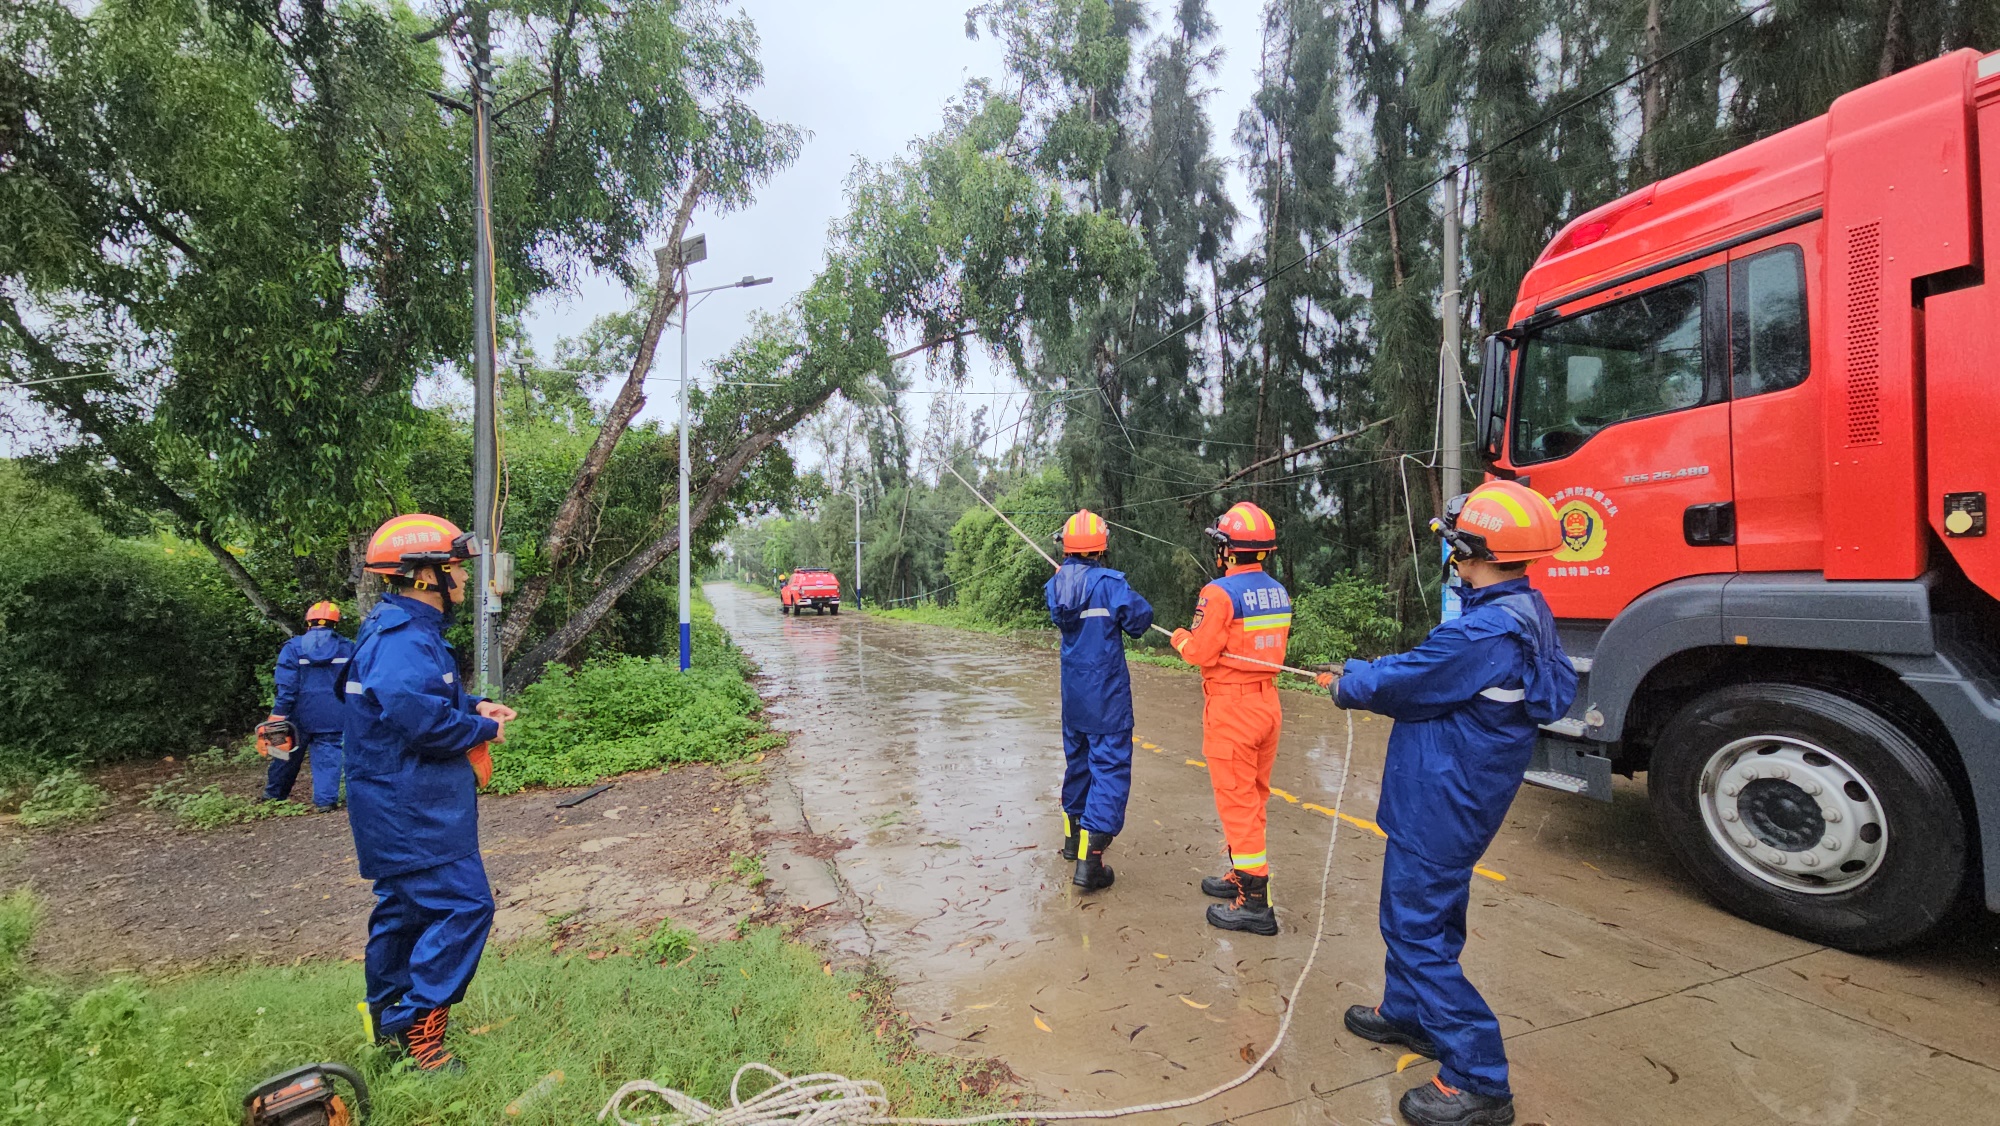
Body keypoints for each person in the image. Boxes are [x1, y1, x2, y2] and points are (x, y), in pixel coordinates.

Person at [1328, 480, 1577, 1126]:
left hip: (1440, 803)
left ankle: (1478, 1076)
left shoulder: (1486, 633)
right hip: (1451, 800)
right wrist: (1368, 671)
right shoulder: (1521, 610)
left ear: (1469, 550)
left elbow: (1411, 680)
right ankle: (1409, 1012)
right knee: (1419, 918)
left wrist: (1351, 682)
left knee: (1417, 930)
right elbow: (1428, 668)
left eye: (1454, 545)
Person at [342, 513, 516, 1073]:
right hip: (413, 812)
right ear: (424, 576)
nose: (463, 580)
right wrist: (483, 730)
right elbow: (421, 722)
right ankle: (422, 1040)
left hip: (395, 805)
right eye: (454, 569)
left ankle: (386, 1024)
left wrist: (472, 706)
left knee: (404, 914)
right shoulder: (403, 637)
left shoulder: (395, 627)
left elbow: (416, 699)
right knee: (467, 907)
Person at [1170, 501, 1292, 936]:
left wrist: (1182, 638)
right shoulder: (1277, 592)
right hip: (1267, 705)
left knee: (1236, 800)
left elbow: (1201, 652)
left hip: (1232, 708)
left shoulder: (1218, 593)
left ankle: (1255, 904)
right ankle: (1242, 872)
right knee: (1253, 795)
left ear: (1226, 549)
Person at [1044, 509, 1154, 891]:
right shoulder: (1111, 585)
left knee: (1079, 766)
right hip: (1106, 696)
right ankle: (1090, 864)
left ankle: (1073, 842)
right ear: (1101, 547)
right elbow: (1141, 621)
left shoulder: (1056, 585)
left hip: (1074, 696)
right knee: (1109, 768)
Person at [263, 602, 357, 812]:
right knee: (328, 757)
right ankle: (325, 801)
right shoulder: (347, 647)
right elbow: (354, 682)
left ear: (308, 622)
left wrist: (279, 714)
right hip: (334, 714)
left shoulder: (293, 648)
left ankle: (272, 797)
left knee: (283, 753)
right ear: (335, 623)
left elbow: (286, 686)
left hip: (296, 714)